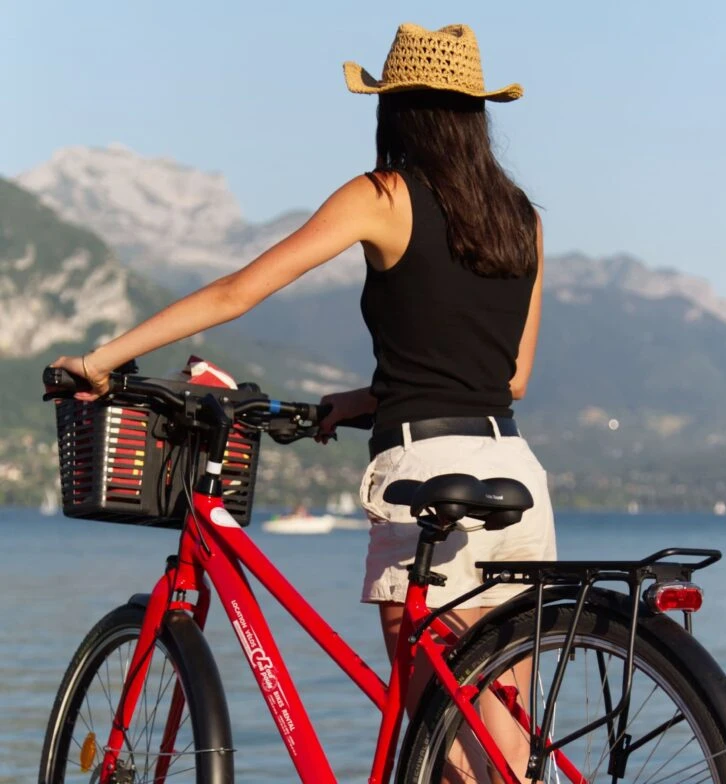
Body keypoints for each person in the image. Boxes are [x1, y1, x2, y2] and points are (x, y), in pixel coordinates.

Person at [51, 22, 556, 782]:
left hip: (425, 467)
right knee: (500, 737)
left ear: (397, 111)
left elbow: (237, 291)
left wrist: (101, 360)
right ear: (475, 113)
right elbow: (509, 378)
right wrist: (362, 400)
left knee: (436, 738)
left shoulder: (384, 195)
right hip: (516, 473)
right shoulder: (522, 217)